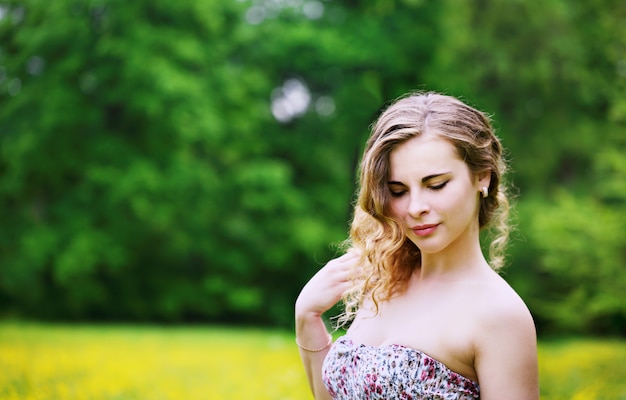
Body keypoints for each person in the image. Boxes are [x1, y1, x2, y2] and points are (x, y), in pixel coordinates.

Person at [295, 92, 539, 399]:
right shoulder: (382, 283)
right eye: (397, 191)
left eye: (436, 185)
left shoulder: (499, 314)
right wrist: (307, 318)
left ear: (483, 177)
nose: (415, 207)